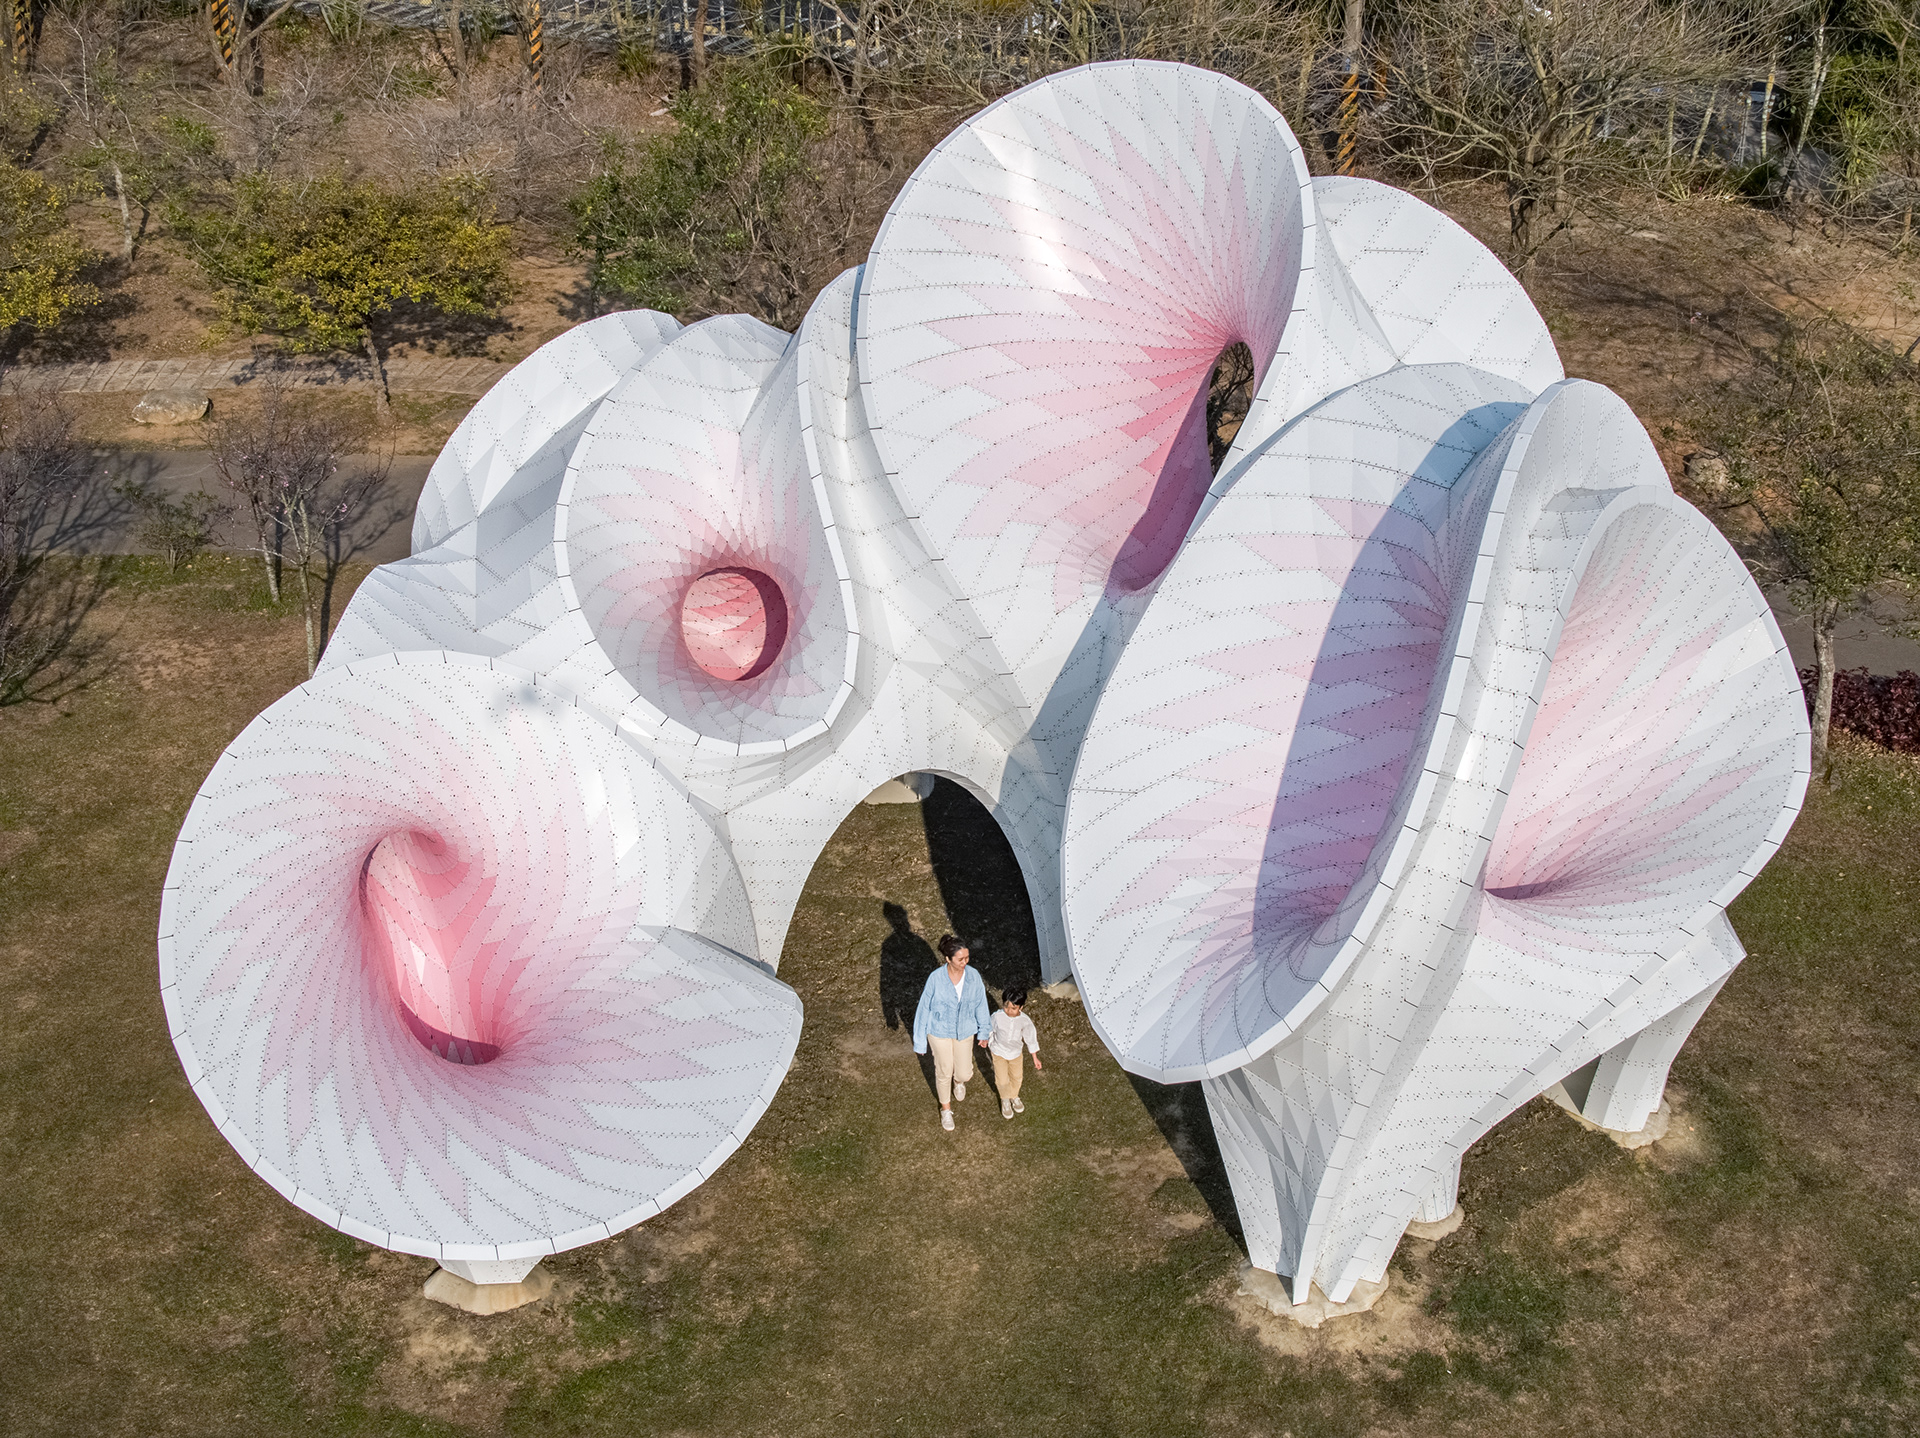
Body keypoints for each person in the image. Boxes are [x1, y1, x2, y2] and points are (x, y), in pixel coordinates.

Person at [911, 934, 991, 1131]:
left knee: (964, 1072)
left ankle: (959, 1081)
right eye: (960, 959)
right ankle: (946, 1109)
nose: (965, 962)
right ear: (948, 959)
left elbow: (981, 1004)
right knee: (944, 1070)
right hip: (939, 1031)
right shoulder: (935, 979)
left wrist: (984, 1032)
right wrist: (920, 1041)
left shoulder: (973, 976)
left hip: (965, 1030)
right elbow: (924, 1009)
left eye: (967, 957)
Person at [988, 987, 1042, 1119]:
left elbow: (1030, 1038)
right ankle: (1005, 1099)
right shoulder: (997, 1016)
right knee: (1001, 1079)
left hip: (1015, 1054)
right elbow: (990, 1029)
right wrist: (988, 1042)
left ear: (1021, 1007)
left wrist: (1034, 1057)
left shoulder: (1025, 1021)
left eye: (1013, 1008)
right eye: (1006, 1007)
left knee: (1017, 1077)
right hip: (999, 1052)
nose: (1009, 1011)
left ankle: (1014, 1096)